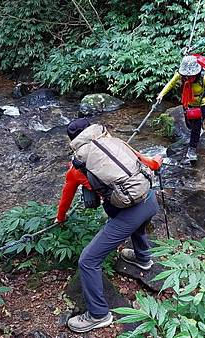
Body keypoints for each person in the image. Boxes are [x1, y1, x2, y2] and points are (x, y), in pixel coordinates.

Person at [56, 118, 163, 333]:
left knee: (88, 260)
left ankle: (98, 314)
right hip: (150, 200)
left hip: (130, 212)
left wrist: (60, 217)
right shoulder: (114, 143)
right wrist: (158, 161)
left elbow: (66, 197)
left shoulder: (77, 167)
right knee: (133, 221)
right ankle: (143, 259)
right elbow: (149, 164)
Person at [157, 55, 205, 162]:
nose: (188, 78)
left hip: (202, 103)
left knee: (196, 126)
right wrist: (161, 95)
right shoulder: (181, 75)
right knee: (189, 124)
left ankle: (192, 149)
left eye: (190, 76)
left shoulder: (204, 77)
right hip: (188, 102)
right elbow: (170, 84)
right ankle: (196, 131)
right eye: (186, 75)